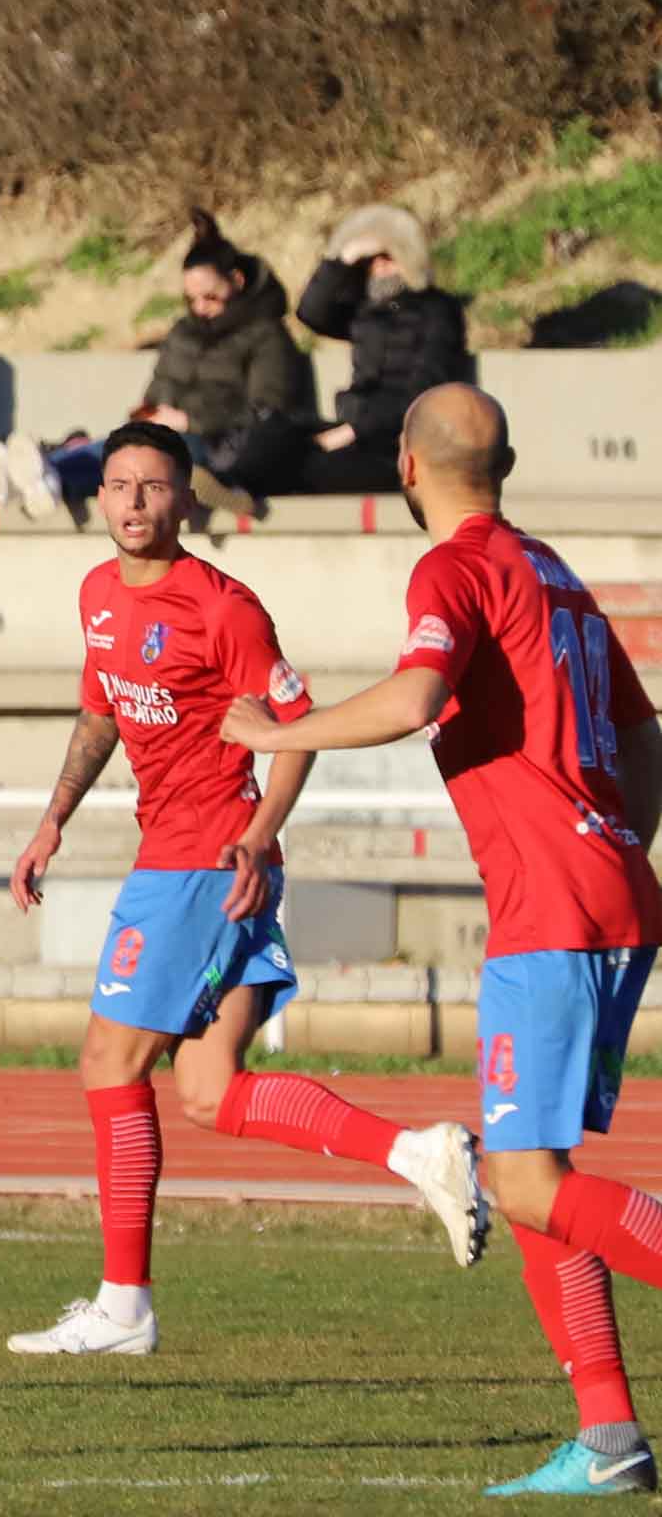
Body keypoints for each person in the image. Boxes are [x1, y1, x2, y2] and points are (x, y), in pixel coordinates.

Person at [225, 383, 662, 1497]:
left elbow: (419, 690)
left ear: (408, 467)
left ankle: (610, 1430)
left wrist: (280, 731)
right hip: (604, 884)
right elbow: (646, 728)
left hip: (554, 903)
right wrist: (612, 841)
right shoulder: (553, 569)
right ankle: (609, 1434)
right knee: (535, 1168)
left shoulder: (456, 565)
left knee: (525, 1178)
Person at [2, 419, 487, 1356]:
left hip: (202, 863)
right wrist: (54, 816)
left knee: (109, 1062)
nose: (133, 502)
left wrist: (260, 837)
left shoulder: (225, 608)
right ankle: (416, 1154)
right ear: (98, 497)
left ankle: (123, 1305)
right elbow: (101, 711)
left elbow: (295, 727)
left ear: (187, 498)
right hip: (188, 860)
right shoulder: (98, 593)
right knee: (210, 1091)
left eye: (152, 486)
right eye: (117, 485)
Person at [0, 211, 305, 521]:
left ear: (236, 281)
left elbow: (269, 410)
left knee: (139, 456)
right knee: (127, 445)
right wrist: (149, 413)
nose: (200, 308)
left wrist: (189, 421)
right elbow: (158, 388)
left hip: (217, 442)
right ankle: (44, 474)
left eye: (209, 297)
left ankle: (49, 473)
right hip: (169, 436)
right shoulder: (183, 332)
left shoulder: (267, 334)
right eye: (191, 299)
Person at [274, 202, 468, 497]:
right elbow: (310, 312)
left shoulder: (438, 310)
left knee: (305, 468)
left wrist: (355, 430)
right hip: (354, 430)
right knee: (273, 436)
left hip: (400, 445)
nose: (379, 265)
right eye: (370, 259)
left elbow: (425, 392)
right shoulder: (364, 312)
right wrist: (344, 257)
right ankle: (225, 481)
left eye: (388, 256)